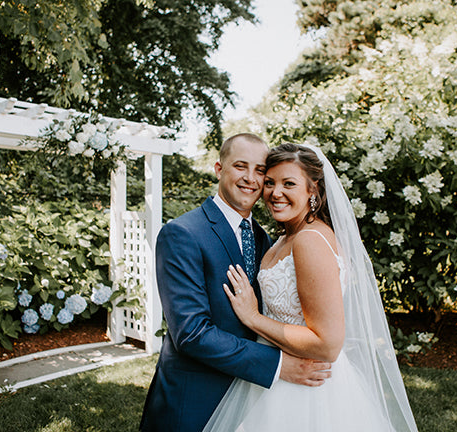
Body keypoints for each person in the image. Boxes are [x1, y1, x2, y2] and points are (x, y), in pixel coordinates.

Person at [203, 142, 418, 431]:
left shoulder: (309, 240)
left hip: (307, 390)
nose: (275, 193)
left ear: (312, 190)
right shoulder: (284, 238)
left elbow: (327, 345)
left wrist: (253, 318)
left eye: (288, 183)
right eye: (270, 183)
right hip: (277, 377)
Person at [139, 134, 332, 432]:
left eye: (260, 171)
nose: (251, 179)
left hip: (253, 400)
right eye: (240, 166)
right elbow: (191, 333)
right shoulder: (182, 233)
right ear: (219, 169)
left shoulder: (263, 238)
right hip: (194, 401)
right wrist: (279, 365)